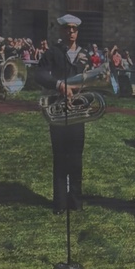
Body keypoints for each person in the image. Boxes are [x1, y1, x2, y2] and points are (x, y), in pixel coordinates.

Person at [35, 14, 92, 213]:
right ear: (61, 30)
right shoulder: (53, 52)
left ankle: (75, 202)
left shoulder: (85, 54)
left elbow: (91, 80)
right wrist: (58, 84)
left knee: (76, 158)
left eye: (74, 29)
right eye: (67, 29)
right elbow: (40, 74)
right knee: (60, 157)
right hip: (58, 112)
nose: (71, 32)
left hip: (77, 112)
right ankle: (59, 203)